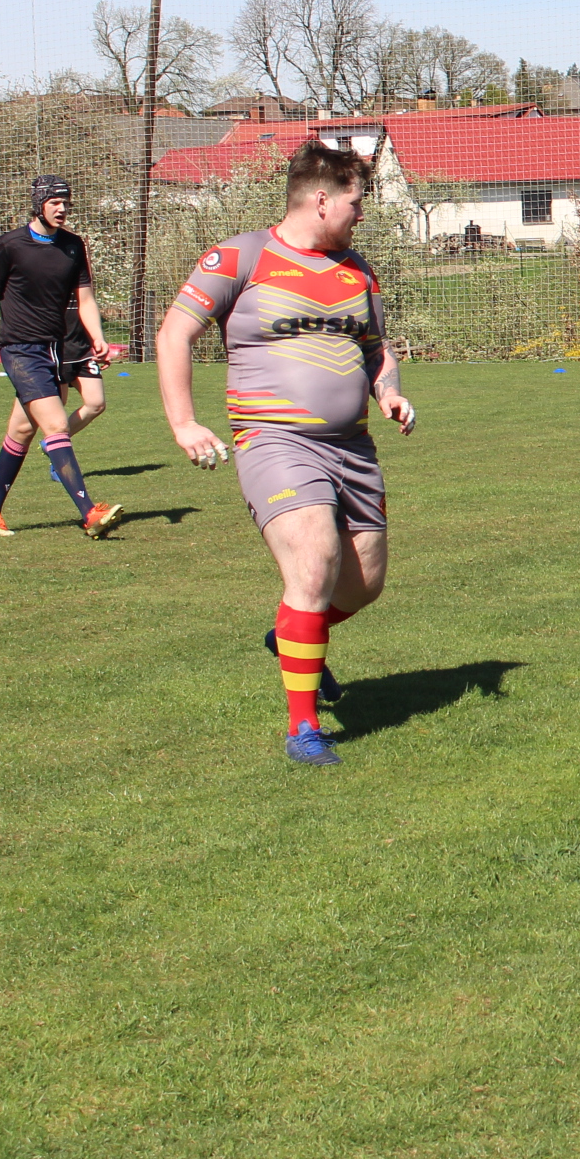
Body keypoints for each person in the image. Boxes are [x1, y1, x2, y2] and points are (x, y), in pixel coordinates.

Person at [155, 141, 417, 767]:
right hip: (275, 440)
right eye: (356, 203)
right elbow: (174, 334)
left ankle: (293, 635)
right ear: (322, 200)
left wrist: (388, 391)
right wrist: (184, 422)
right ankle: (305, 730)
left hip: (353, 447)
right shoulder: (241, 257)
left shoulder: (359, 271)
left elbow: (377, 349)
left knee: (364, 585)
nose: (361, 214)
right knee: (313, 562)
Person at [0, 174, 125, 539]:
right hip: (20, 350)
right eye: (55, 202)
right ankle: (89, 513)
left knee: (21, 430)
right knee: (56, 425)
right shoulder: (9, 246)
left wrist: (98, 337)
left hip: (56, 349)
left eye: (66, 203)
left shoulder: (73, 246)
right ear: (38, 205)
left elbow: (85, 299)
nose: (62, 209)